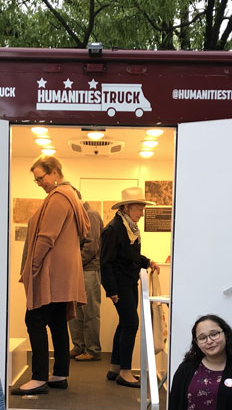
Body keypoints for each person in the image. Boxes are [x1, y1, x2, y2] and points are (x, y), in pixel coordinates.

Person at [16, 156, 91, 395]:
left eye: (42, 177)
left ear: (55, 172)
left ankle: (38, 378)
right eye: (36, 179)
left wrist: (34, 266)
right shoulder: (72, 198)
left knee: (34, 320)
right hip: (63, 274)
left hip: (51, 273)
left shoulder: (59, 197)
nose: (39, 183)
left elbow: (46, 237)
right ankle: (59, 374)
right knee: (57, 322)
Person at [99, 186, 160, 387]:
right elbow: (106, 262)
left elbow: (130, 257)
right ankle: (125, 372)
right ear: (126, 208)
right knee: (131, 324)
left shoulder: (129, 228)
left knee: (125, 323)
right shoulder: (114, 229)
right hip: (120, 285)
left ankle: (115, 367)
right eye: (138, 209)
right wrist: (112, 290)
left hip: (128, 282)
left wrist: (148, 261)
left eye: (142, 209)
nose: (141, 213)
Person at [69, 201, 104, 361]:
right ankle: (79, 346)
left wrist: (75, 263)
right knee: (74, 311)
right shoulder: (78, 215)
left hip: (88, 270)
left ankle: (93, 350)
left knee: (90, 312)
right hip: (77, 270)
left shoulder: (91, 214)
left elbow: (92, 245)